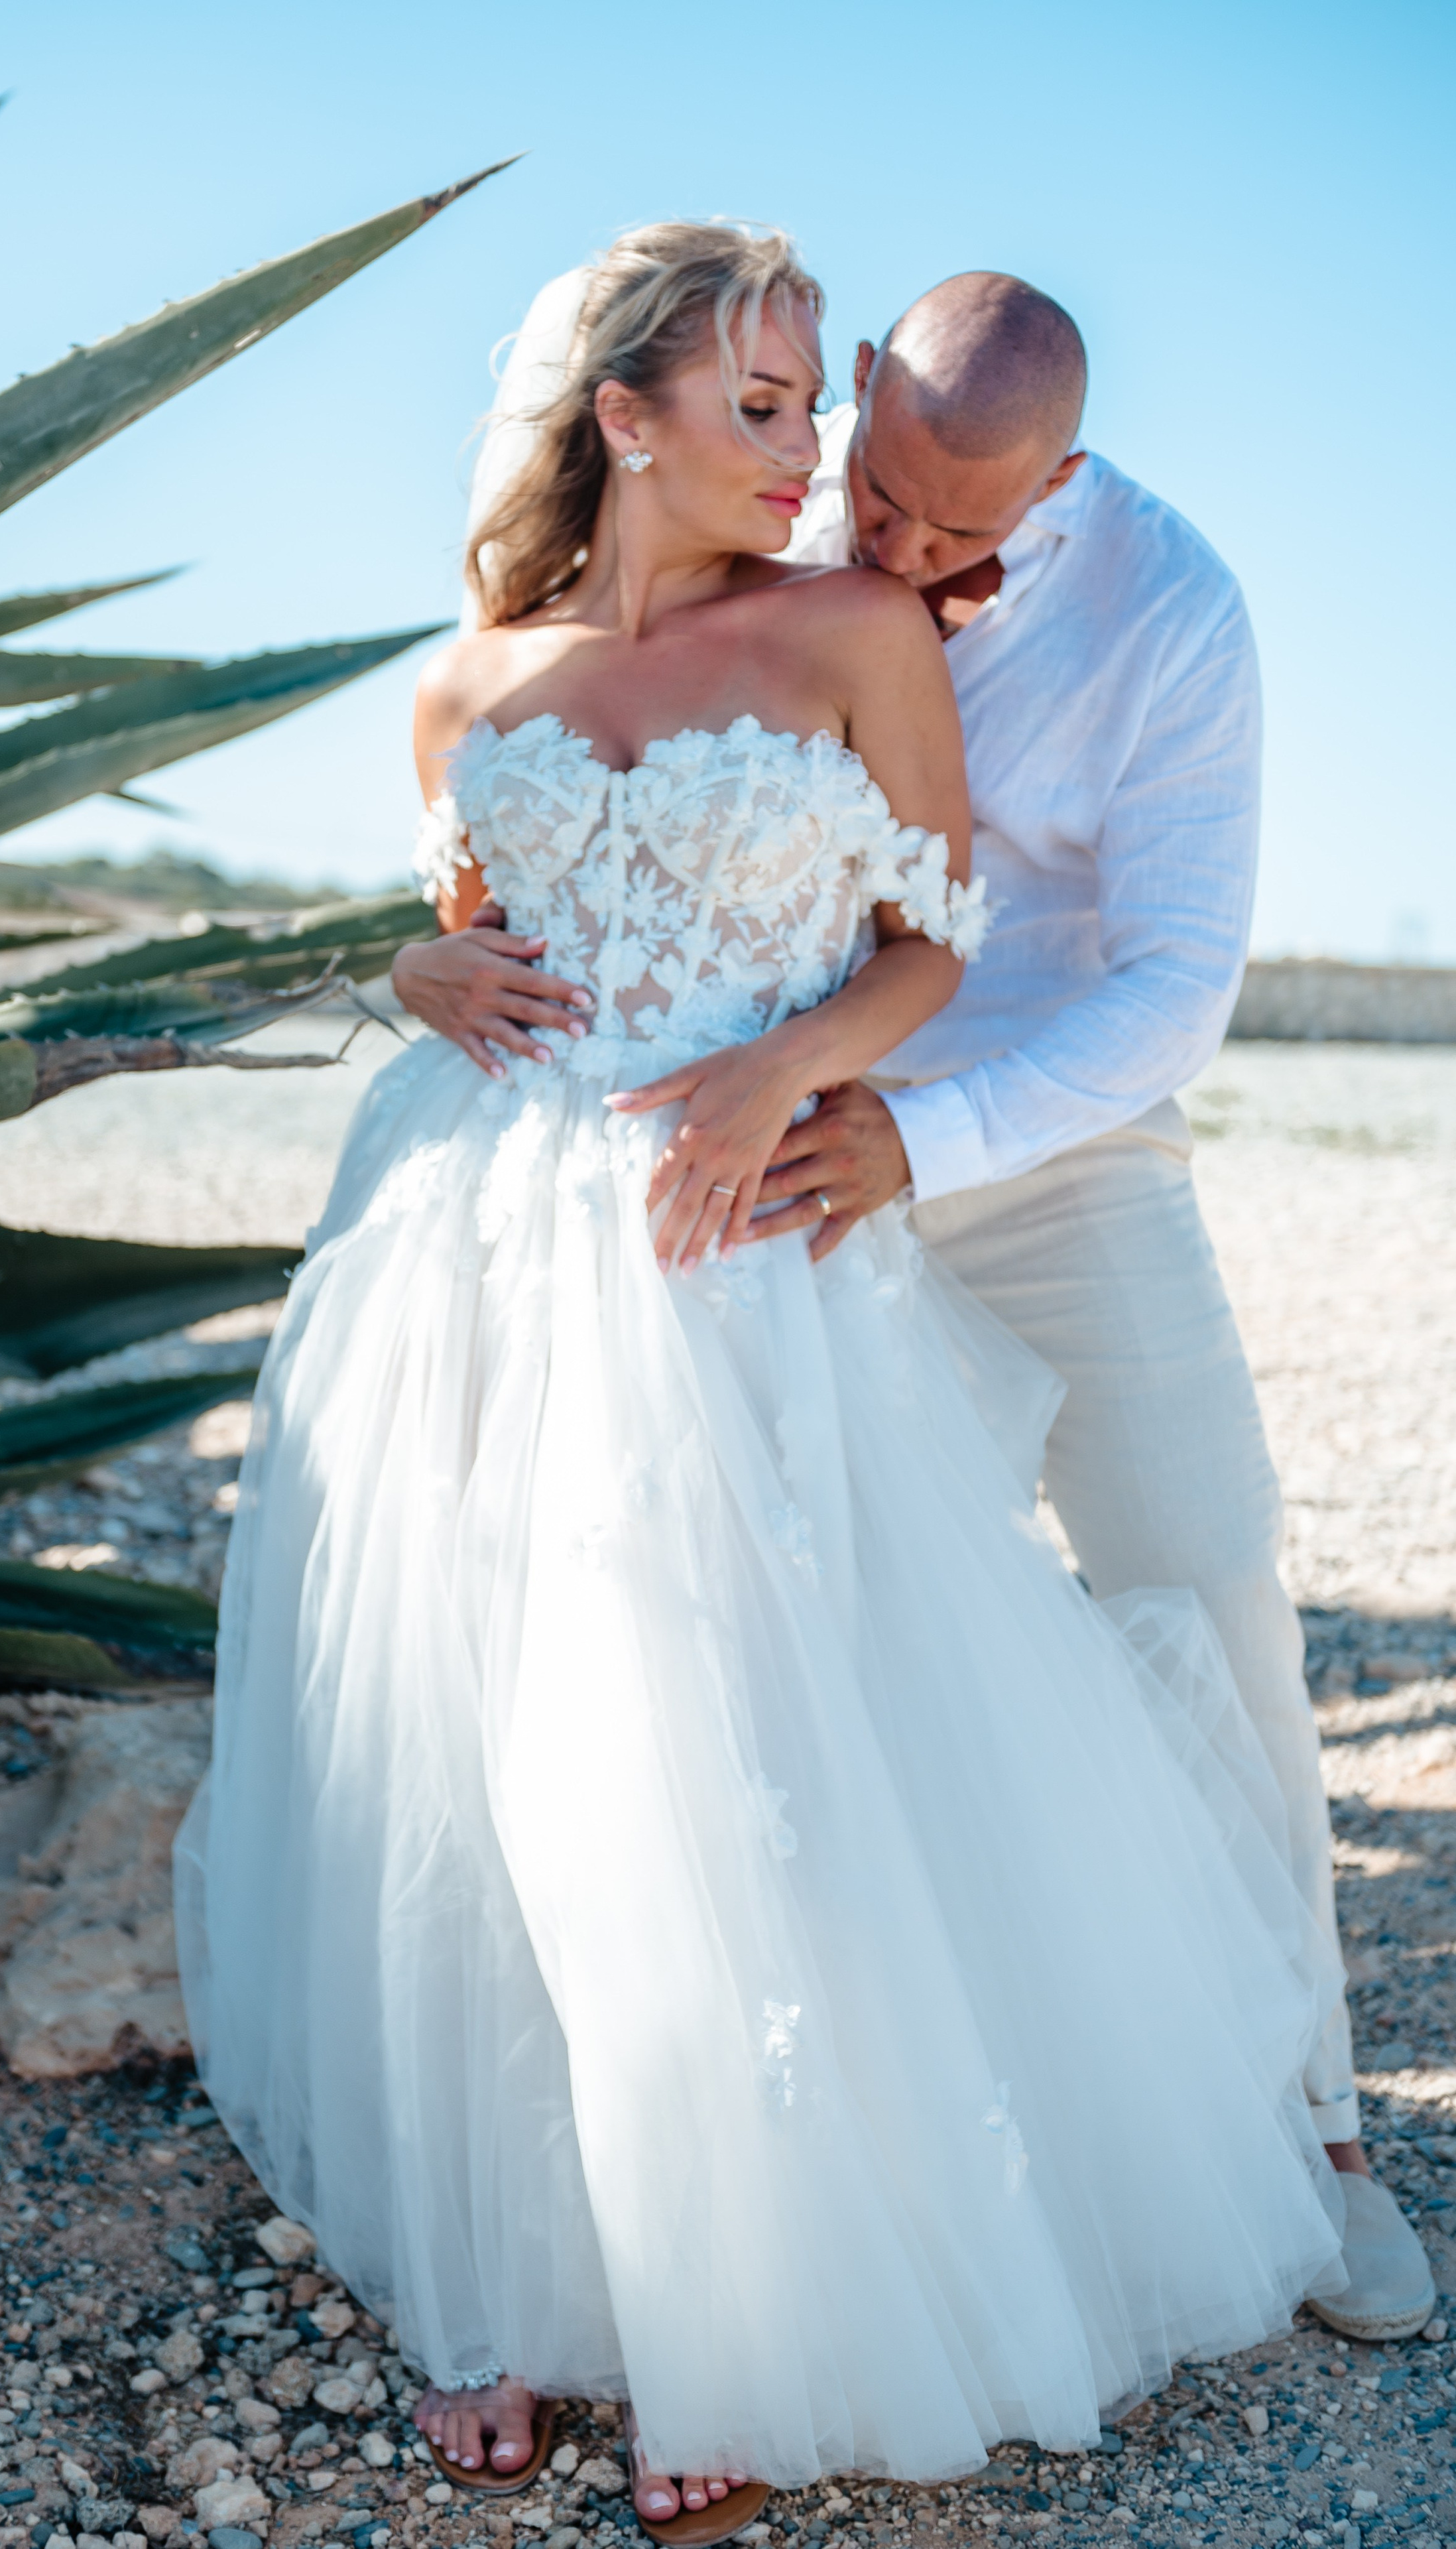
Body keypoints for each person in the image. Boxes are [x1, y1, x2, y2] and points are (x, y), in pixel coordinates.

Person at [178, 222, 1350, 2546]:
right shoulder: (468, 681)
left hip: (799, 1204)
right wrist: (406, 964)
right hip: (491, 1247)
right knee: (487, 1722)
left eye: (834, 426)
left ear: (1047, 485)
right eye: (782, 415)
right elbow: (470, 927)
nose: (828, 477)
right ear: (629, 415)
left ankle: (801, 2277)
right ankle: (510, 2277)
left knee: (773, 1711)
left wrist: (795, 1082)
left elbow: (968, 951)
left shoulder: (902, 629)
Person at [398, 265, 1431, 2346]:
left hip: (1040, 1138)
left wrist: (917, 1143)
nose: (908, 549)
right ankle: (902, 2145)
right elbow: (515, 836)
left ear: (1068, 479)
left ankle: (1313, 2126)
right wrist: (417, 959)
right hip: (757, 1161)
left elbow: (1172, 986)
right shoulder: (747, 547)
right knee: (809, 1644)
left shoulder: (1177, 615)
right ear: (858, 388)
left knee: (1209, 1570)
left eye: (974, 537)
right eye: (886, 490)